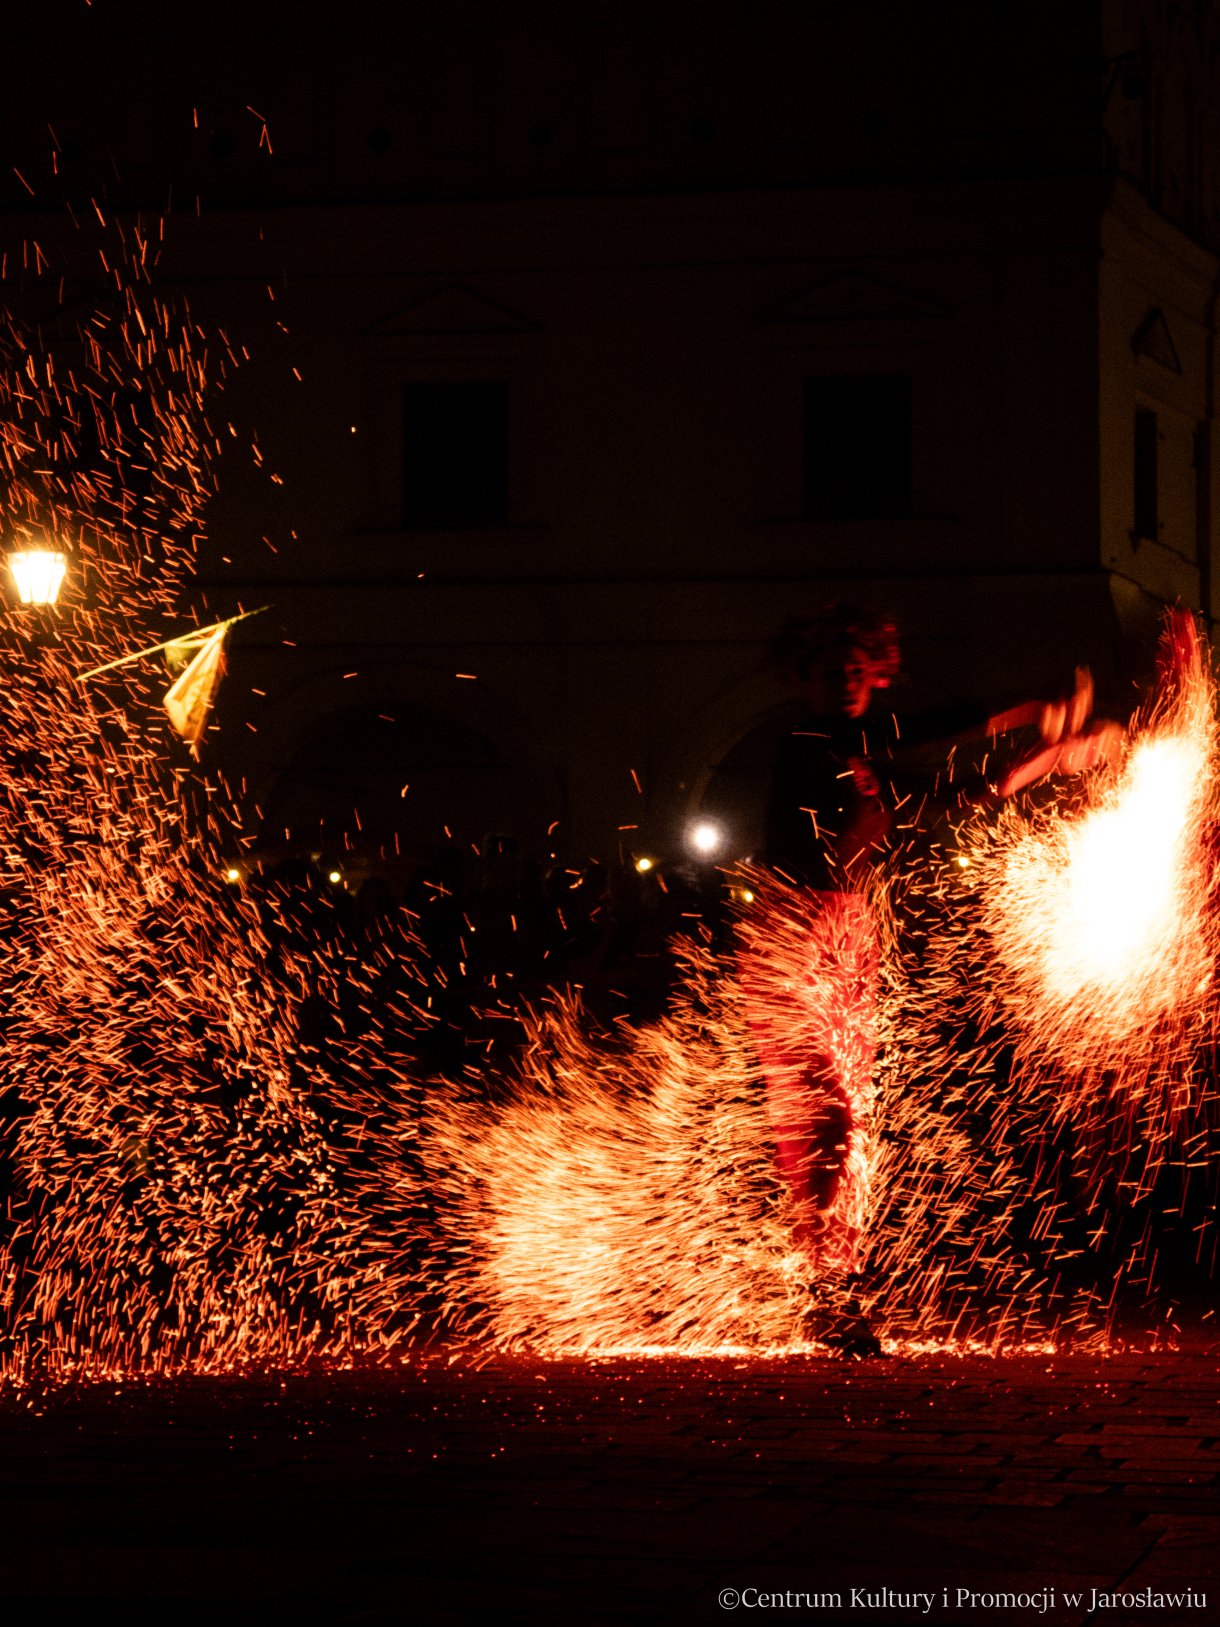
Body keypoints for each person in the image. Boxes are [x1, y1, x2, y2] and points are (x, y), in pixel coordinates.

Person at [739, 602, 1117, 1353]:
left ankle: (823, 1278)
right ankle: (816, 1281)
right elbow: (919, 733)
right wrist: (1030, 707)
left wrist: (1050, 757)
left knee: (838, 1128)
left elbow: (952, 797)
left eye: (858, 671)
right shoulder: (807, 741)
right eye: (829, 673)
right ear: (802, 682)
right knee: (825, 1122)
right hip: (787, 934)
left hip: (847, 935)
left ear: (875, 674)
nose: (846, 682)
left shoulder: (862, 763)